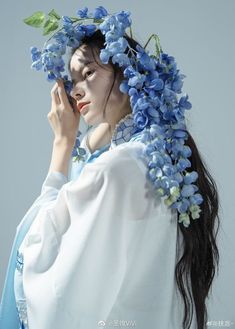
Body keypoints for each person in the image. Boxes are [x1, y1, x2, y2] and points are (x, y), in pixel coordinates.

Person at [0, 9, 220, 329]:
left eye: (88, 73)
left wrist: (63, 144)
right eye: (72, 82)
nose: (75, 91)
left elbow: (43, 251)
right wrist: (95, 135)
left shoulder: (118, 169)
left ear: (129, 72)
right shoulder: (162, 166)